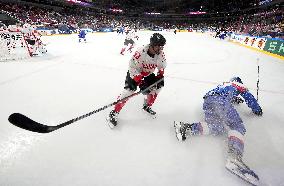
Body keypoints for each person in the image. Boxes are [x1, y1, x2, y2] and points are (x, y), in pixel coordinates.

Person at [174, 77, 262, 185]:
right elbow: (249, 98)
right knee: (237, 126)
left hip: (208, 100)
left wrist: (234, 99)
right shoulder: (239, 85)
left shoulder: (225, 85)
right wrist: (257, 109)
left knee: (217, 127)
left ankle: (185, 128)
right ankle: (234, 158)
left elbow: (227, 94)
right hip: (220, 100)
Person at [108, 33, 167, 128]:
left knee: (158, 87)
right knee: (128, 92)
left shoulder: (160, 54)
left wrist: (160, 75)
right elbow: (132, 67)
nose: (160, 49)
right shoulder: (140, 52)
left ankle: (146, 105)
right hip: (135, 72)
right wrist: (140, 82)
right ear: (152, 45)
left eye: (161, 47)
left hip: (147, 73)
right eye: (158, 47)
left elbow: (161, 66)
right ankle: (114, 112)